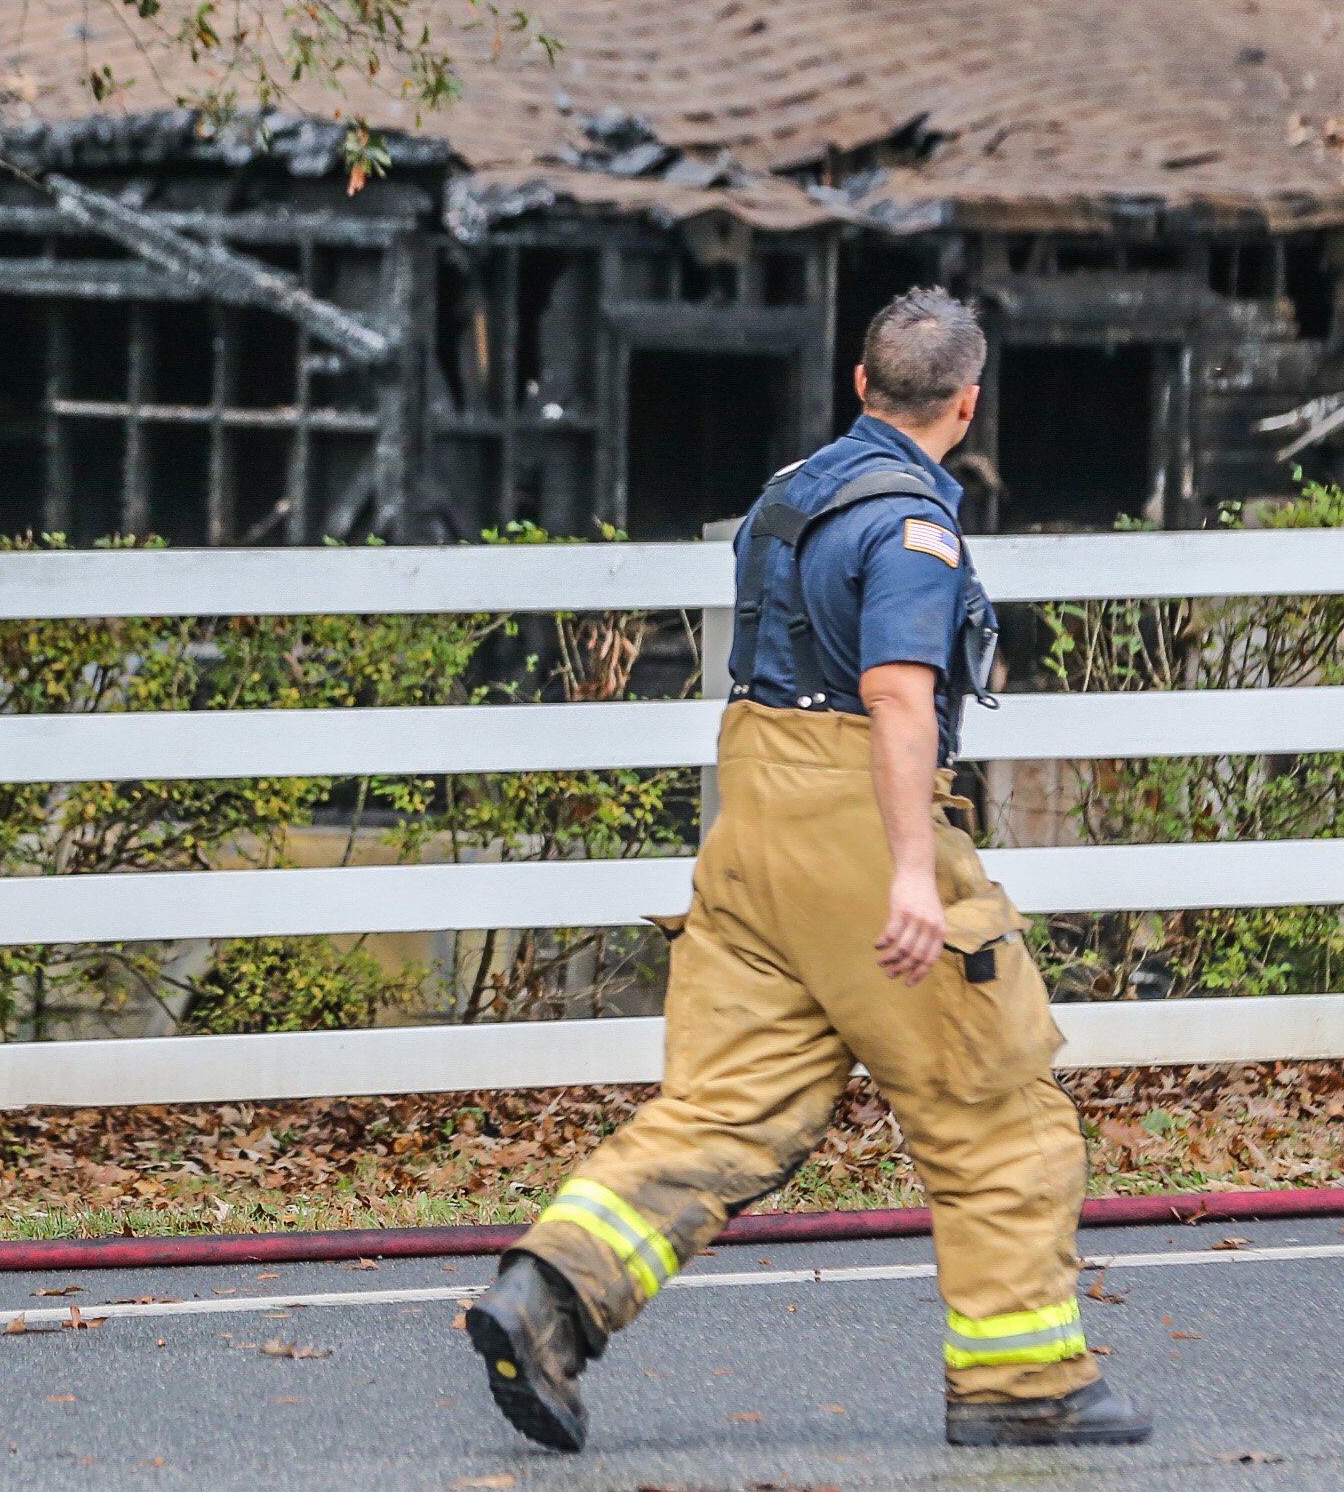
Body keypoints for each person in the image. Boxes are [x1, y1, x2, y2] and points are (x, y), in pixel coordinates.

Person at [461, 287, 1148, 1451]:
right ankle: (1024, 1381)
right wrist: (915, 874)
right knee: (996, 1106)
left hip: (749, 820)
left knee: (731, 1107)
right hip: (852, 820)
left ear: (861, 385)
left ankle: (549, 1295)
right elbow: (895, 695)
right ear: (968, 405)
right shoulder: (917, 528)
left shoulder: (787, 498)